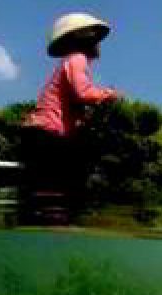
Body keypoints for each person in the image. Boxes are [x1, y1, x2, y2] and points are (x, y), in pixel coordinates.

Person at [21, 12, 121, 198]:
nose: (99, 43)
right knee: (54, 190)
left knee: (47, 190)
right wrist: (109, 94)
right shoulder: (77, 59)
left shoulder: (72, 61)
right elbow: (83, 92)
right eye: (95, 38)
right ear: (85, 39)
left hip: (42, 132)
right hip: (47, 133)